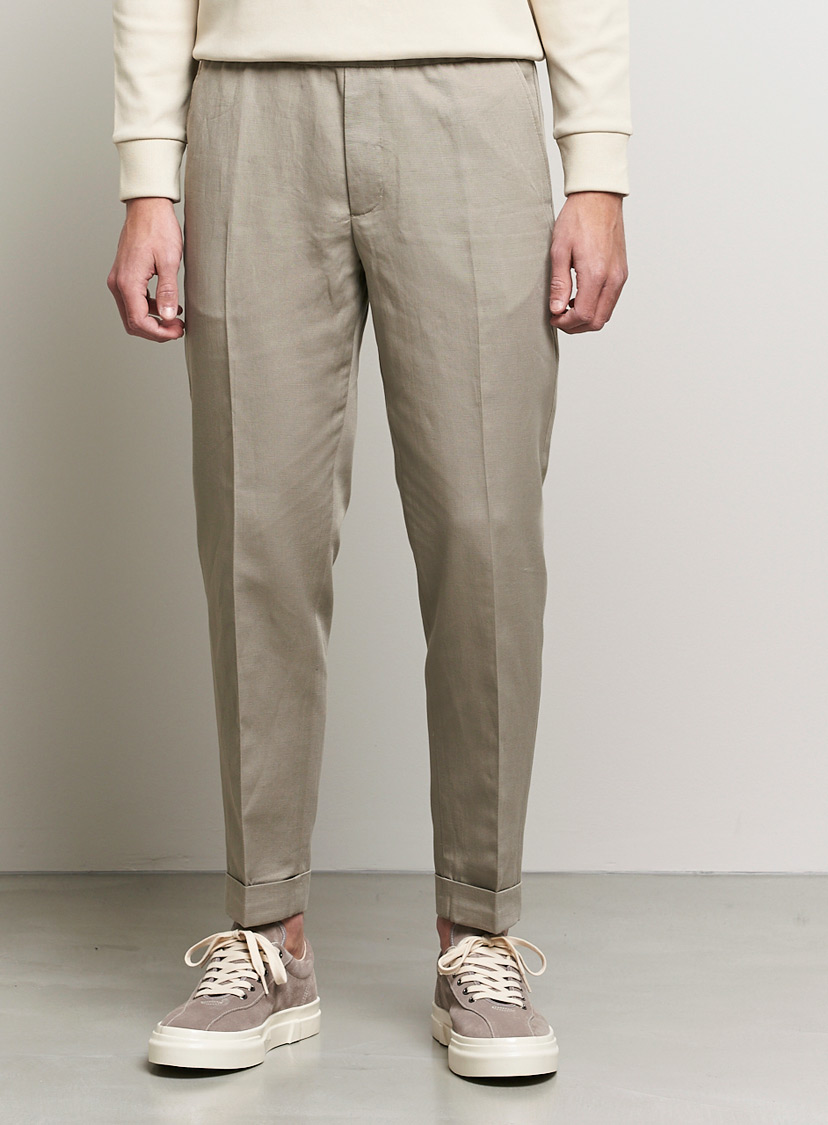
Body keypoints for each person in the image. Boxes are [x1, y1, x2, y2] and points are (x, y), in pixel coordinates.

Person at [107, 0, 630, 1081]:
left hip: (470, 98)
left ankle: (480, 932)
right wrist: (148, 178)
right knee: (257, 531)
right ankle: (268, 934)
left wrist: (597, 167)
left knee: (486, 535)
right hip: (251, 103)